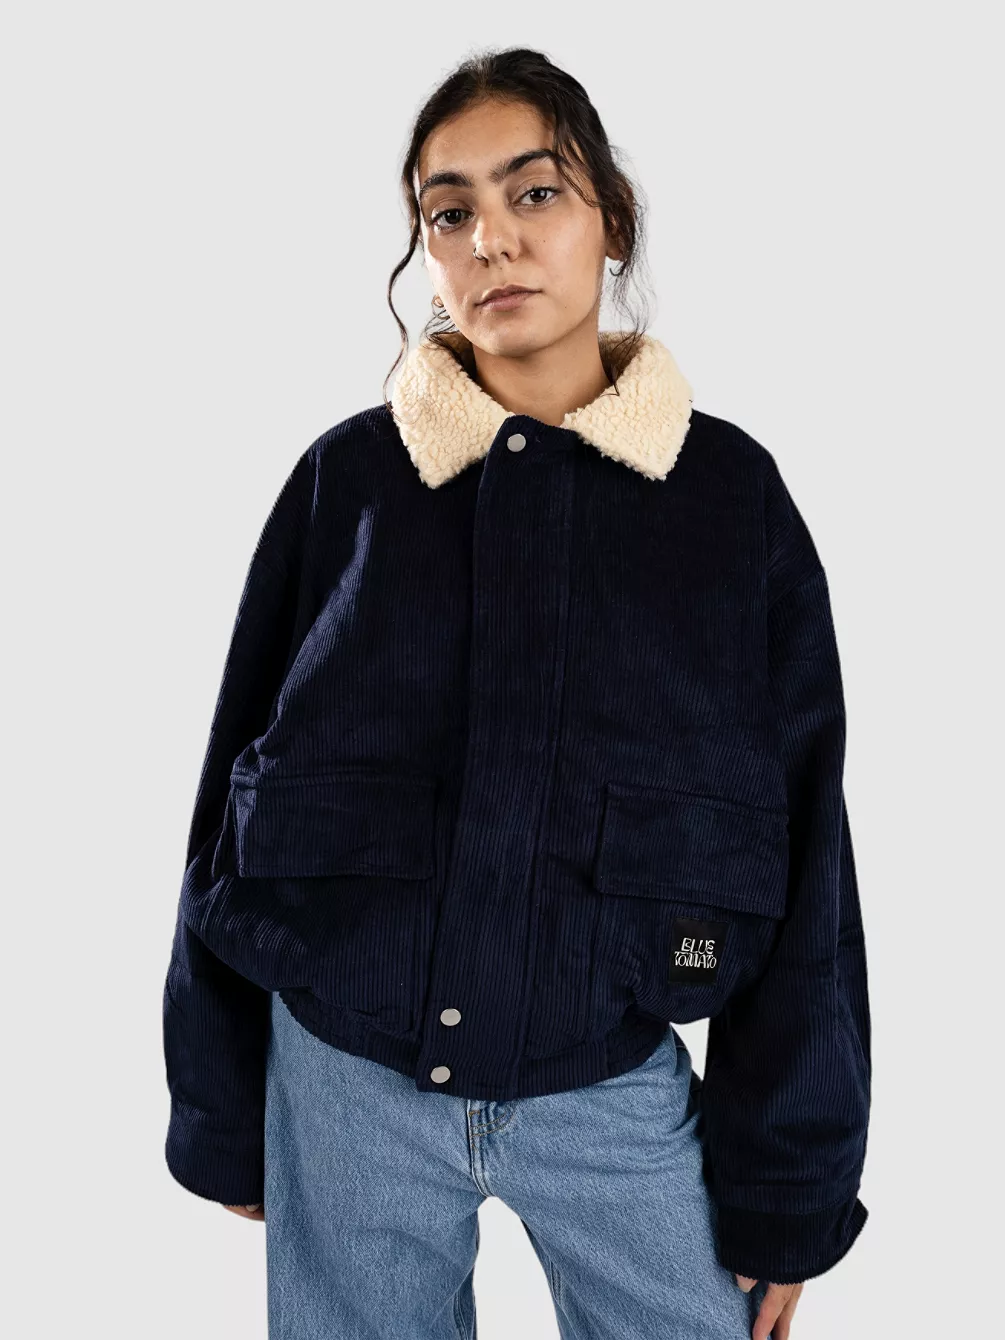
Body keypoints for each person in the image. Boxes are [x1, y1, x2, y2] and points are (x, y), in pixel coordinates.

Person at [161, 46, 871, 1340]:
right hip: (344, 1082)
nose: (491, 238)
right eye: (449, 213)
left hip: (606, 1078)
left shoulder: (727, 504)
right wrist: (221, 1106)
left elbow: (807, 849)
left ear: (612, 220)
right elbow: (230, 801)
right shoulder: (349, 486)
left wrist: (788, 1194)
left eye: (533, 192)